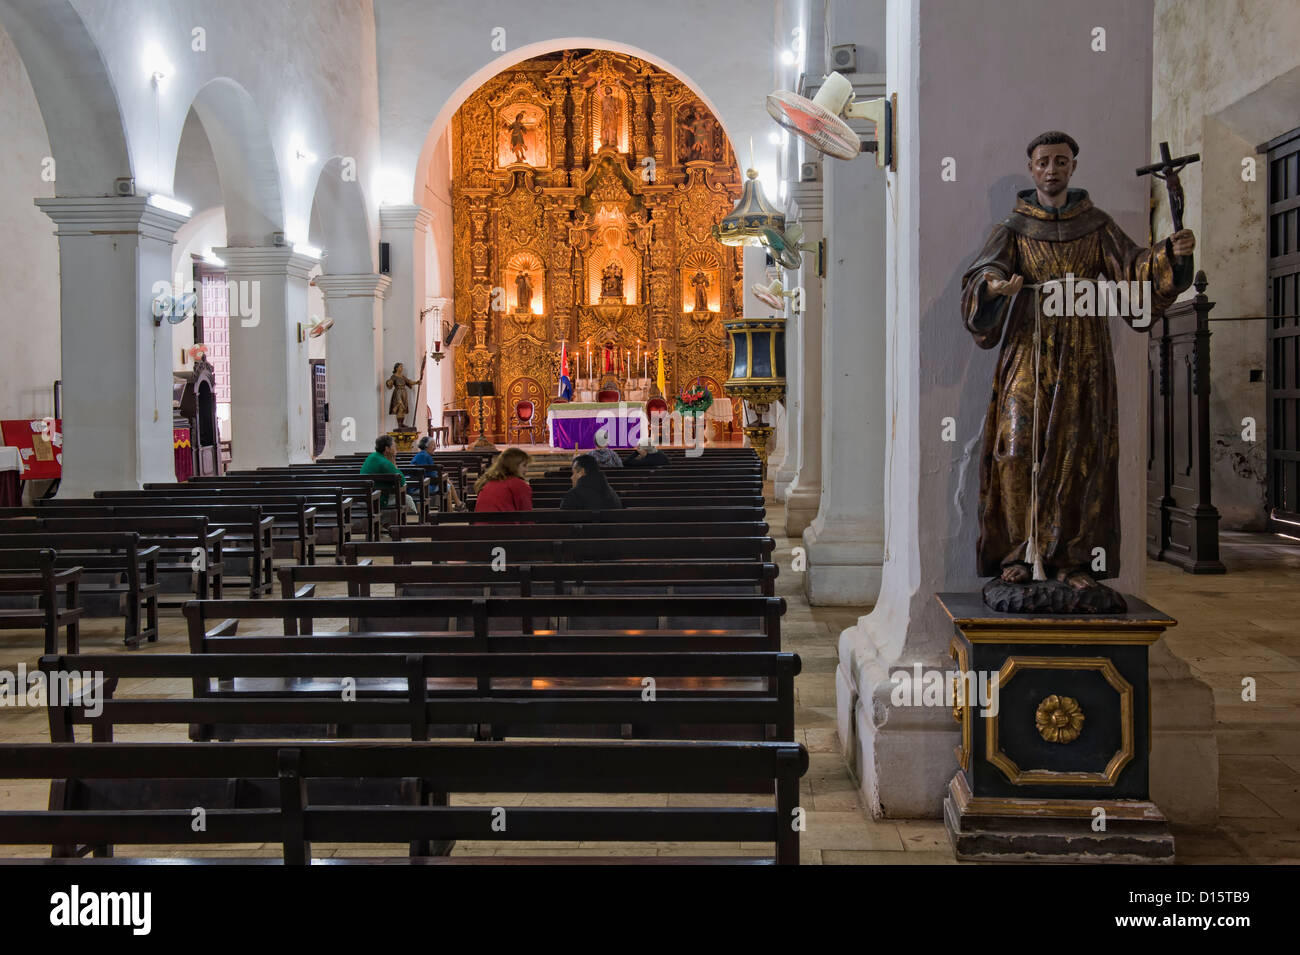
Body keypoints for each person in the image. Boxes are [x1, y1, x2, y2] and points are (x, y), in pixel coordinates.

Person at [961, 130, 1195, 591]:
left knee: (1080, 452)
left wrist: (1172, 255)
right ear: (1031, 169)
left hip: (1084, 353)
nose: (1052, 169)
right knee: (1016, 448)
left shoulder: (1097, 225)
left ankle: (1075, 560)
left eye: (1061, 161)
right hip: (1028, 347)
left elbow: (1135, 270)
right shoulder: (1012, 228)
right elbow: (983, 274)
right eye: (1044, 161)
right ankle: (1018, 554)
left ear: (1073, 167)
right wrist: (992, 287)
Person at [361, 434, 416, 514]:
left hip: (367, 496)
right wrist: (394, 464)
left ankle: (388, 524)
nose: (396, 448)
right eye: (394, 446)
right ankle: (414, 520)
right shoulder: (384, 462)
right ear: (387, 449)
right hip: (380, 499)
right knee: (407, 498)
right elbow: (402, 482)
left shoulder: (371, 457)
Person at [410, 436, 466, 511]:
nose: (435, 447)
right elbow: (432, 475)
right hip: (420, 486)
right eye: (433, 445)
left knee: (446, 482)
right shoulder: (425, 456)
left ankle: (456, 505)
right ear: (427, 446)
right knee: (446, 486)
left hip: (416, 484)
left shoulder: (421, 455)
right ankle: (452, 509)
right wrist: (442, 477)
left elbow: (430, 473)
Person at [473, 447, 533, 512]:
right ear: (513, 465)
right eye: (524, 465)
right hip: (504, 522)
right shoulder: (519, 485)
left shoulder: (487, 482)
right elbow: (526, 516)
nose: (526, 470)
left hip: (482, 521)